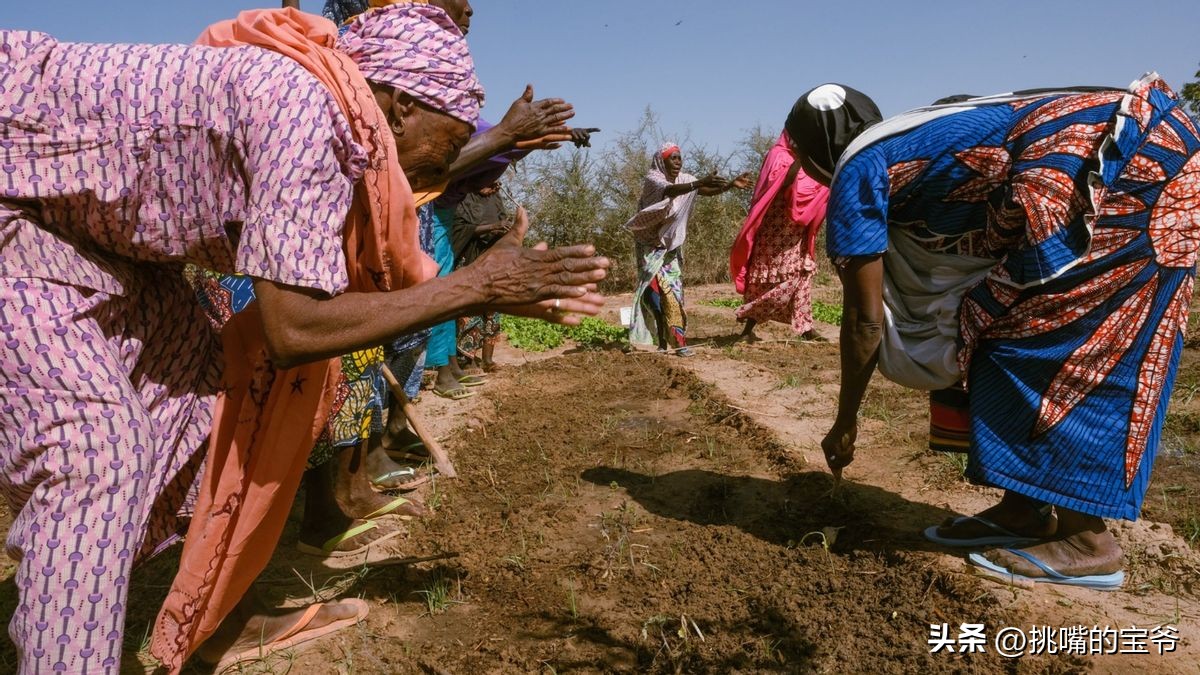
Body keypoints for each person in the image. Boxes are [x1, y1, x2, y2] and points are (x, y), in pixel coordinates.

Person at [0, 6, 609, 674]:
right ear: (402, 108)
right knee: (96, 452)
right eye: (451, 141)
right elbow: (293, 328)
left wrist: (483, 286)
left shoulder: (338, 125)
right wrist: (476, 287)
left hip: (107, 247)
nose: (442, 165)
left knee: (214, 401)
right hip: (19, 216)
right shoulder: (303, 110)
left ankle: (205, 612)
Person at [791, 77, 1200, 591]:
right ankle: (1023, 511)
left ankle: (1087, 542)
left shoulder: (857, 166)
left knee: (1059, 349)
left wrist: (845, 421)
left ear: (817, 152)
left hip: (1124, 169)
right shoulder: (900, 141)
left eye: (799, 156)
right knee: (995, 334)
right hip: (1138, 149)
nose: (803, 169)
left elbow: (864, 321)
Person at [625, 143, 751, 356]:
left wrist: (729, 185)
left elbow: (704, 191)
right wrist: (699, 182)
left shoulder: (685, 180)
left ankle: (678, 342)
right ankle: (661, 341)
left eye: (679, 158)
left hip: (670, 250)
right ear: (661, 161)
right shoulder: (653, 179)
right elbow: (670, 190)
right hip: (648, 247)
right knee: (653, 294)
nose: (677, 162)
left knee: (673, 294)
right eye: (672, 158)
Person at [729, 132, 830, 342]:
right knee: (764, 280)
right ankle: (748, 324)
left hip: (795, 233)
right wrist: (804, 157)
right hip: (772, 232)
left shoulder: (806, 161)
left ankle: (806, 329)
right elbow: (783, 182)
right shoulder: (778, 155)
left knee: (801, 275)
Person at [454, 179, 512, 371]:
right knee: (471, 310)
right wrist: (491, 227)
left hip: (492, 260)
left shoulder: (495, 198)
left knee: (492, 309)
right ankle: (467, 359)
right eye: (487, 180)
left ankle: (487, 360)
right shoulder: (464, 198)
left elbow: (502, 220)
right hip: (470, 259)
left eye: (494, 181)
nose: (492, 186)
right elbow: (459, 229)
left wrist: (505, 229)